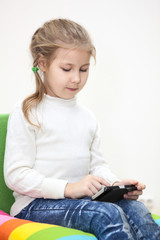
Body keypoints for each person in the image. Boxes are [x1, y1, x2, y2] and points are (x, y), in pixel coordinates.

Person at [4, 19, 160, 240]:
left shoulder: (87, 117)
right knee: (106, 214)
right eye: (67, 69)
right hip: (35, 205)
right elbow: (16, 176)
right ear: (42, 63)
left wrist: (115, 185)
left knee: (137, 210)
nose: (76, 78)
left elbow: (98, 166)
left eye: (84, 69)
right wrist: (69, 188)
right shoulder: (27, 111)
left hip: (79, 202)